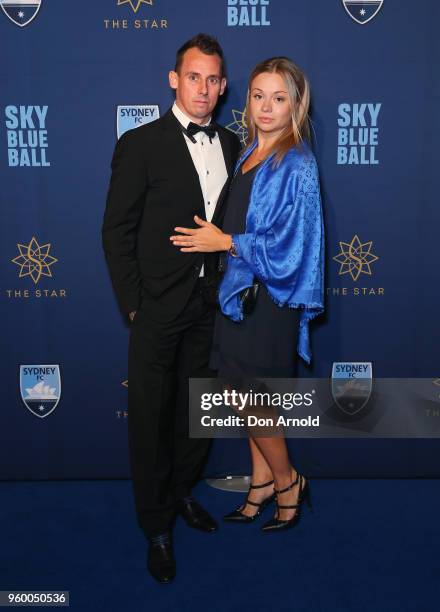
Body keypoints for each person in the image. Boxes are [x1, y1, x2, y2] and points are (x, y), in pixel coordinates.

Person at [102, 33, 240, 583]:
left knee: (197, 416)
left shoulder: (233, 145)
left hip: (211, 308)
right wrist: (135, 305)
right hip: (157, 309)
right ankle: (156, 525)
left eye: (212, 79)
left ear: (223, 85)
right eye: (193, 77)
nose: (203, 88)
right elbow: (116, 231)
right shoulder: (140, 144)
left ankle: (182, 493)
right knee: (151, 421)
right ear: (173, 79)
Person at [170, 56, 324, 533]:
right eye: (259, 95)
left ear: (296, 105)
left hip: (268, 303)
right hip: (238, 297)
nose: (266, 106)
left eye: (279, 98)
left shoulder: (296, 163)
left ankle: (288, 481)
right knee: (247, 400)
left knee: (253, 401)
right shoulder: (249, 153)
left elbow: (293, 247)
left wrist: (227, 242)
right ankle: (259, 486)